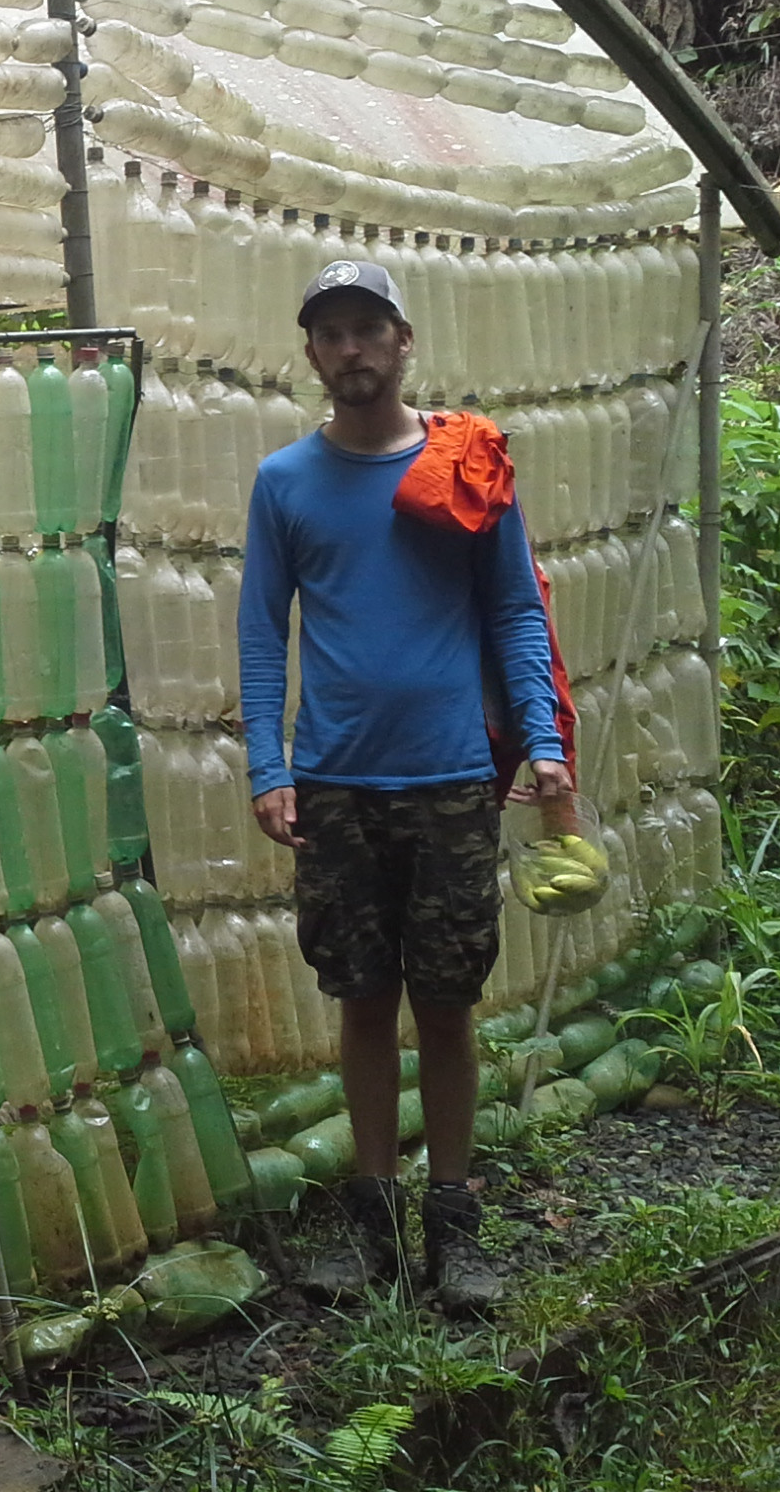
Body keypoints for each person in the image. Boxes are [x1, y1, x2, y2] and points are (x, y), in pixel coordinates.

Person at [237, 258, 570, 1314]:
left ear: (402, 340)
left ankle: (454, 1227)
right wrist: (268, 765)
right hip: (336, 782)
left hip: (451, 778)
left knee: (449, 1004)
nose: (352, 350)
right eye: (331, 333)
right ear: (310, 354)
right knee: (362, 1002)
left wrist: (543, 737)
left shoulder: (464, 467)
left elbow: (515, 610)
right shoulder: (286, 482)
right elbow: (262, 633)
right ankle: (371, 1222)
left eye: (368, 329)